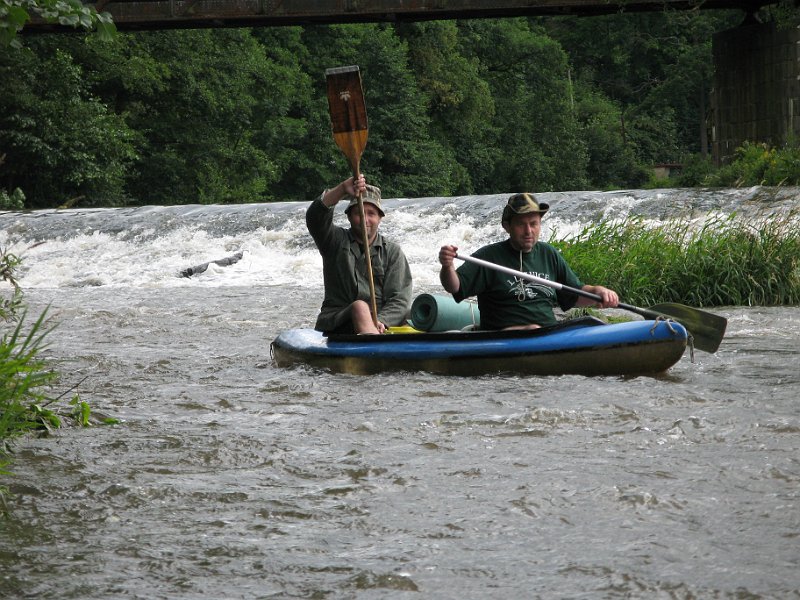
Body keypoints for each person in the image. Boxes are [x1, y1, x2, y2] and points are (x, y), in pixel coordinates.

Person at [438, 192, 619, 330]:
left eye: (533, 224)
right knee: (531, 329)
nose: (528, 231)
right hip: (502, 337)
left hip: (547, 334)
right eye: (520, 224)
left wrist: (597, 292)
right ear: (507, 226)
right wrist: (447, 266)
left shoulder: (549, 254)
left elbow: (575, 295)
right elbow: (454, 286)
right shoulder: (488, 256)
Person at [306, 174, 412, 335]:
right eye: (359, 213)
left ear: (380, 218)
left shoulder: (392, 252)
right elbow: (315, 217)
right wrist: (342, 189)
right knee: (360, 307)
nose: (365, 219)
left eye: (371, 214)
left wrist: (382, 321)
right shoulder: (334, 240)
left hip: (381, 324)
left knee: (416, 313)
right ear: (349, 216)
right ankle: (374, 347)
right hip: (339, 322)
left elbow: (400, 299)